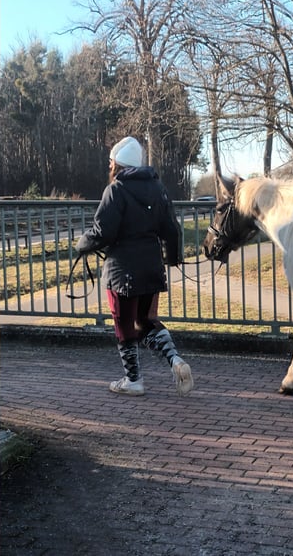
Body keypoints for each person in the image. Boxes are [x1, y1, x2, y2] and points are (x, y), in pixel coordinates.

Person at [75, 136, 194, 397]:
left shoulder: (116, 190)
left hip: (122, 270)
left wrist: (82, 245)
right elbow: (172, 230)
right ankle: (175, 360)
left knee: (124, 323)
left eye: (111, 161)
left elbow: (103, 232)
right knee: (145, 320)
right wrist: (172, 259)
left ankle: (133, 380)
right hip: (151, 266)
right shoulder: (159, 188)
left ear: (116, 164)